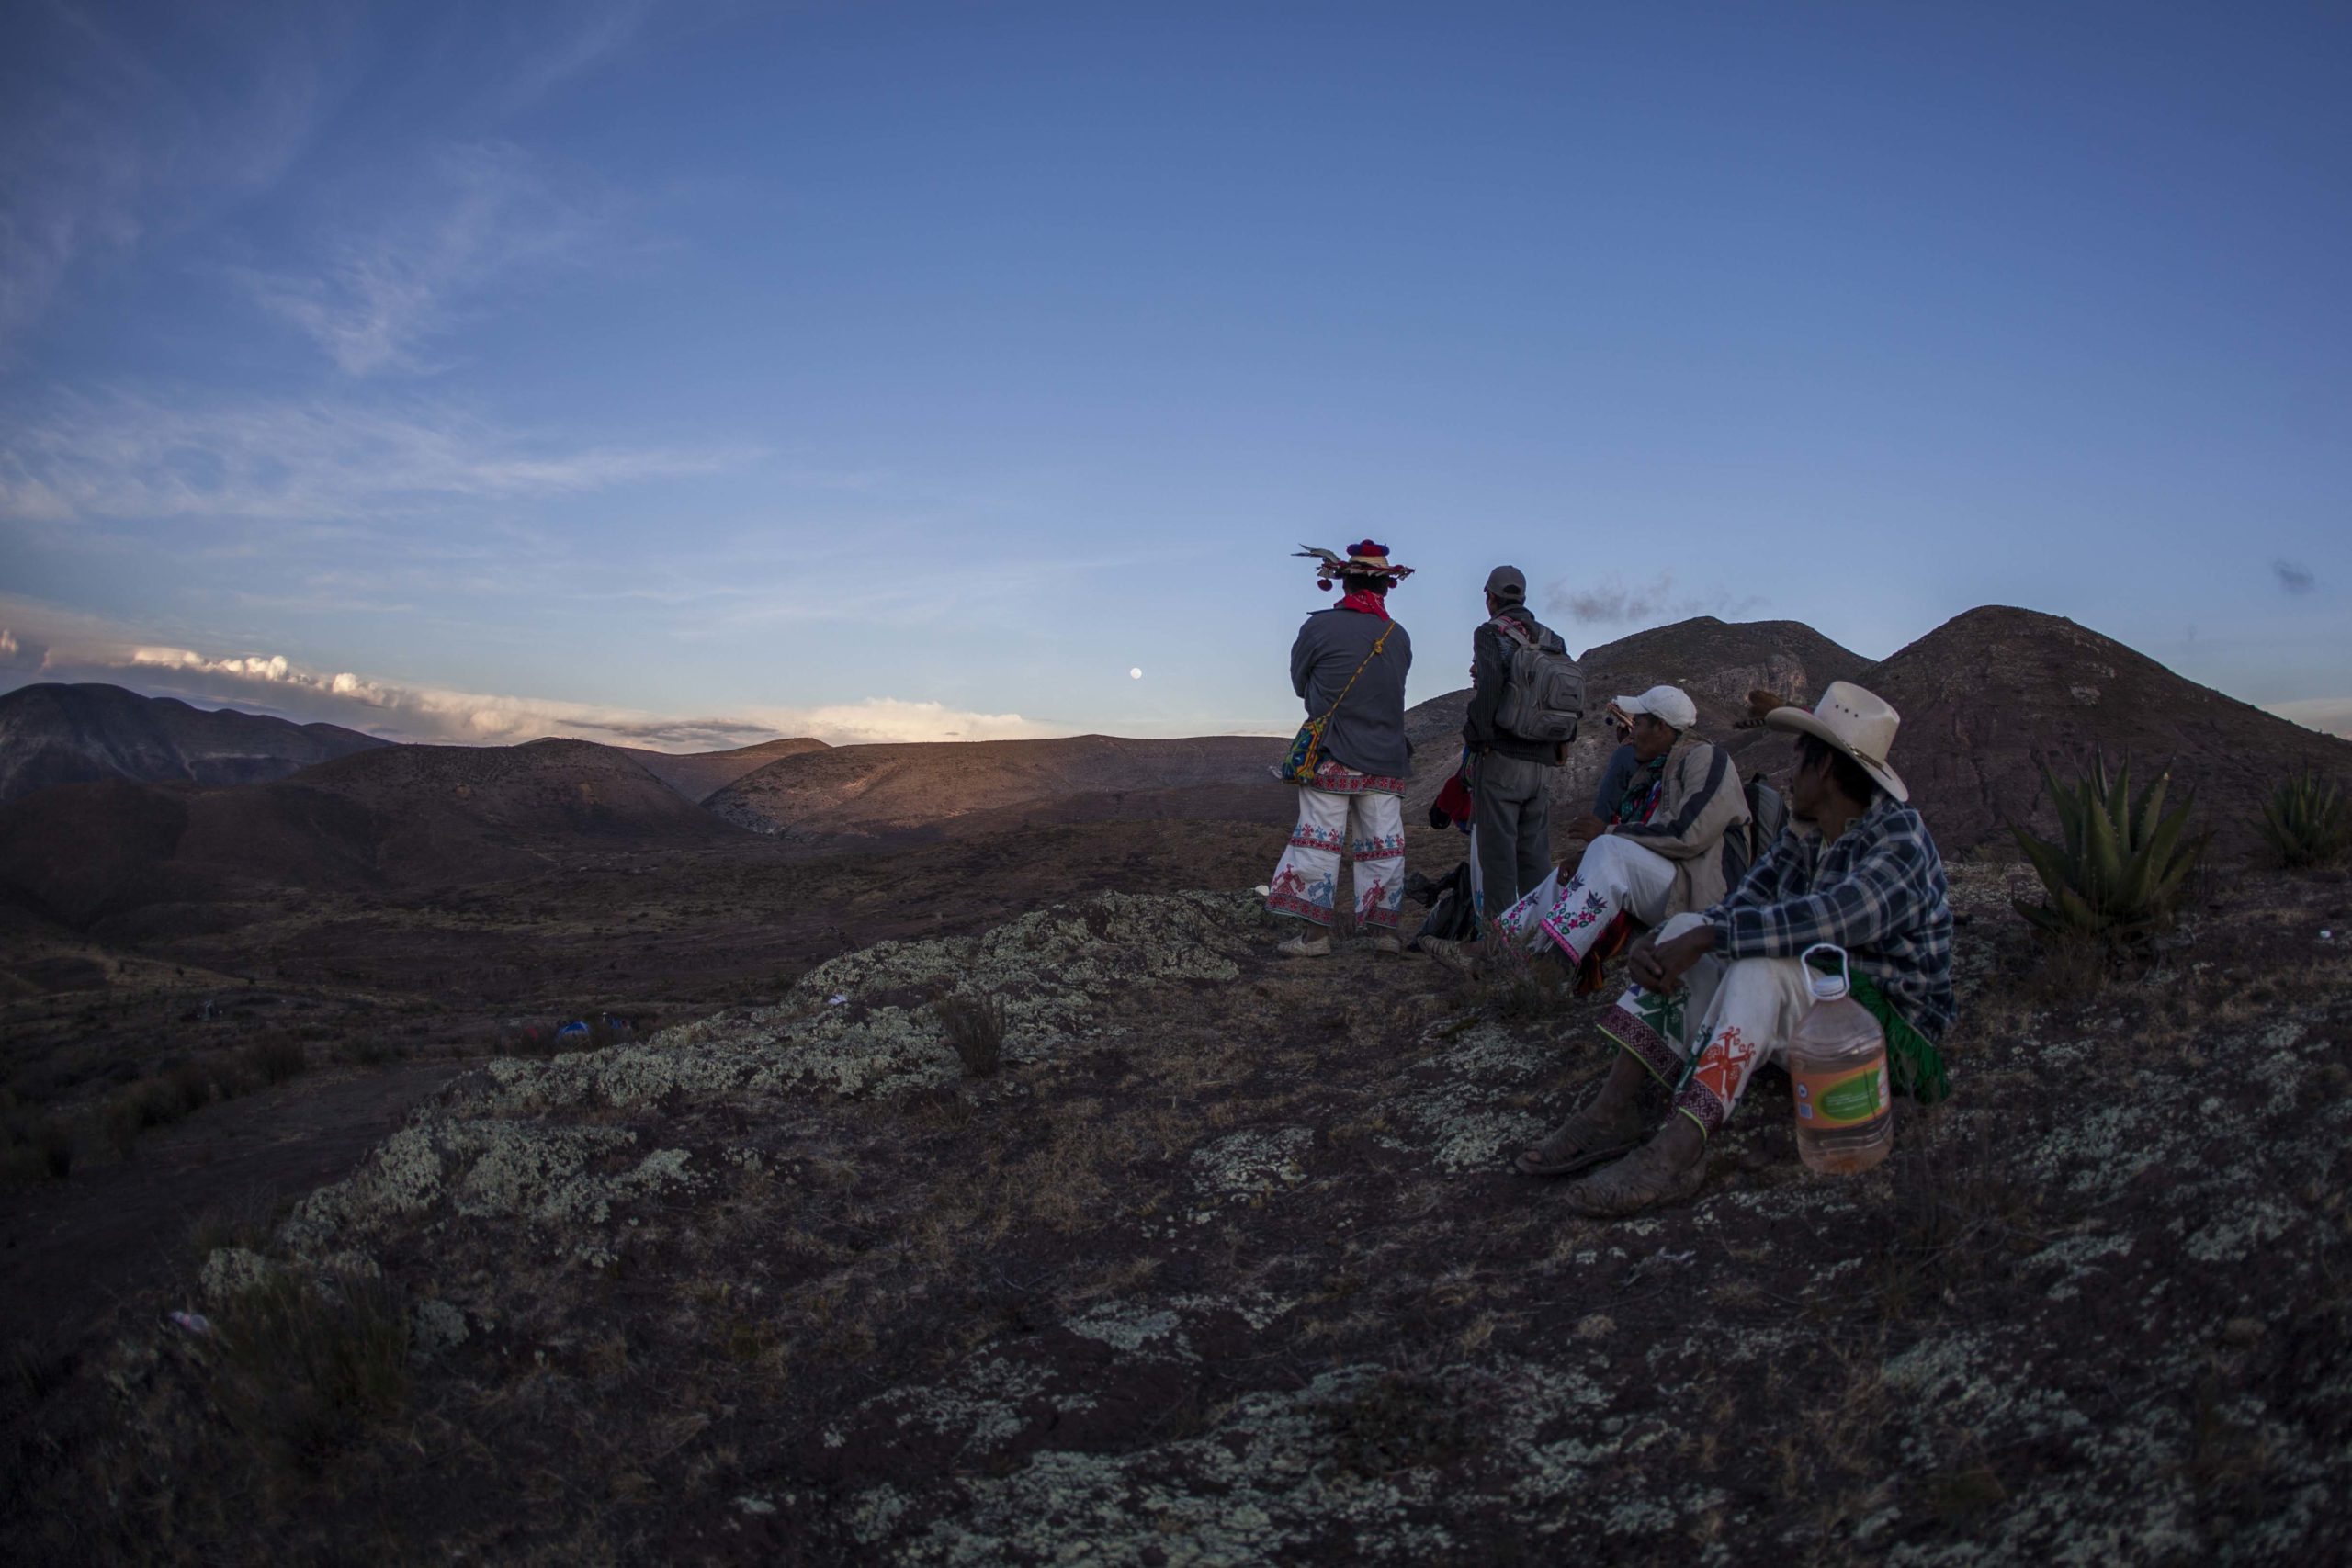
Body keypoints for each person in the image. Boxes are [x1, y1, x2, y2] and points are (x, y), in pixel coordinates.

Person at [1514, 682, 1954, 1214]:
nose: (1791, 772)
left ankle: (1677, 1153)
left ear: (1827, 770)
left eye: (1801, 758)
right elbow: (1750, 900)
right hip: (1822, 1009)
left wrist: (1711, 936)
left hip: (1886, 1038)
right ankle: (1612, 1112)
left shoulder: (1899, 840)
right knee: (1688, 930)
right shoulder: (1810, 831)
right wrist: (1676, 939)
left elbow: (1829, 921)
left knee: (1757, 969)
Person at [1428, 685, 1747, 987]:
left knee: (1608, 847)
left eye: (1639, 723)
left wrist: (1607, 833)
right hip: (1672, 879)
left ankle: (1551, 968)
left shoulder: (1707, 758)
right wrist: (1587, 856)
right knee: (1569, 873)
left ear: (1662, 728)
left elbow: (1688, 834)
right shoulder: (1659, 769)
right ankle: (1489, 949)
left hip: (1701, 891)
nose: (1631, 733)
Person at [1265, 542, 1416, 956]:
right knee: (1383, 845)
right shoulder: (1397, 636)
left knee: (1319, 841)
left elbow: (1300, 682)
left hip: (1331, 753)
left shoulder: (1317, 628)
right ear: (1386, 586)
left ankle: (1315, 938)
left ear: (1342, 580)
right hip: (1386, 757)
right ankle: (1384, 934)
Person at [1459, 565, 1571, 917]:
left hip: (1502, 759)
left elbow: (1490, 688)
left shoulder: (1490, 633)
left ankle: (1500, 946)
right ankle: (1540, 936)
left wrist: (1478, 737)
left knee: (1498, 858)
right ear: (1522, 596)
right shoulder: (1552, 639)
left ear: (1489, 597)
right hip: (1541, 764)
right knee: (1535, 855)